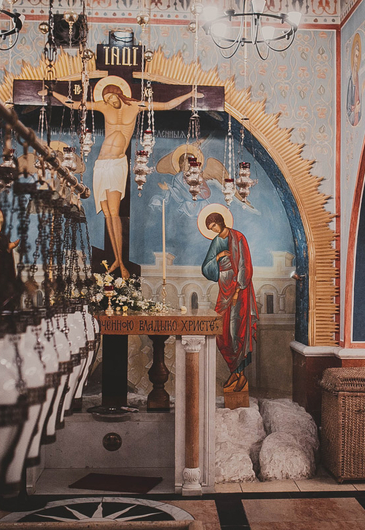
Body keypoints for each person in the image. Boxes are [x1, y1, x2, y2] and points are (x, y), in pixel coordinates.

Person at [52, 78, 201, 278]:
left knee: (114, 213)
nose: (110, 101)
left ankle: (121, 262)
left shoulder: (135, 107)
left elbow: (166, 105)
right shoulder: (104, 107)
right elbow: (74, 104)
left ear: (119, 93)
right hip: (101, 164)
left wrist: (190, 94)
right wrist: (52, 93)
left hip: (116, 163)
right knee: (107, 214)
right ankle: (116, 260)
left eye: (112, 97)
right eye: (106, 98)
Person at [201, 212, 258, 392]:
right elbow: (206, 267)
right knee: (222, 333)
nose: (213, 230)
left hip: (239, 291)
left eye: (213, 226)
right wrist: (218, 257)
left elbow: (244, 265)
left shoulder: (238, 237)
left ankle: (240, 375)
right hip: (224, 291)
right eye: (210, 228)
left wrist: (237, 291)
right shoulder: (216, 242)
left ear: (220, 222)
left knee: (237, 331)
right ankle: (234, 371)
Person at [346, 33, 363, 126]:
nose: (356, 60)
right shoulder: (350, 81)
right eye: (355, 56)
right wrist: (355, 110)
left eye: (358, 56)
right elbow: (348, 110)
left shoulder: (358, 79)